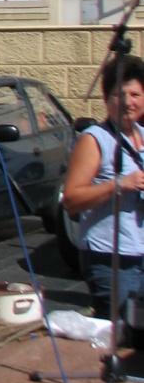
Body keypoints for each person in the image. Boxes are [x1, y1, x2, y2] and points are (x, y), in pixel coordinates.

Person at [61, 55, 144, 325]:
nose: (128, 102)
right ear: (107, 99)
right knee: (120, 331)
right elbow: (71, 200)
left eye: (136, 94)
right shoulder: (95, 140)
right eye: (120, 95)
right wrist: (120, 184)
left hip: (140, 254)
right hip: (110, 258)